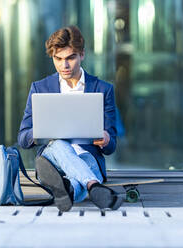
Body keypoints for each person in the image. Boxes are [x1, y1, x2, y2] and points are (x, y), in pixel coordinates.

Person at [17, 26, 123, 212]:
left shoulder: (103, 89)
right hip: (52, 159)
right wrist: (41, 130)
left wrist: (106, 139)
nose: (64, 66)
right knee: (59, 144)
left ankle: (69, 190)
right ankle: (93, 185)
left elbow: (111, 145)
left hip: (88, 156)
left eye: (70, 58)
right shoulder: (40, 88)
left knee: (85, 163)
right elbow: (23, 138)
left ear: (82, 55)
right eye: (58, 59)